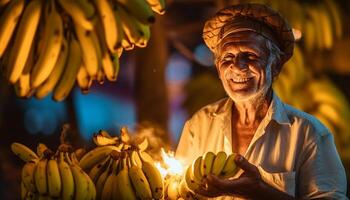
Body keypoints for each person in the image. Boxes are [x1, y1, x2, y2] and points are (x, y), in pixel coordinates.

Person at [175, 3, 347, 200]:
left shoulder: (310, 133)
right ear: (218, 67)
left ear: (275, 66)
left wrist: (263, 193)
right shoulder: (199, 125)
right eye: (228, 57)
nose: (237, 67)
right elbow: (180, 191)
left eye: (250, 56)